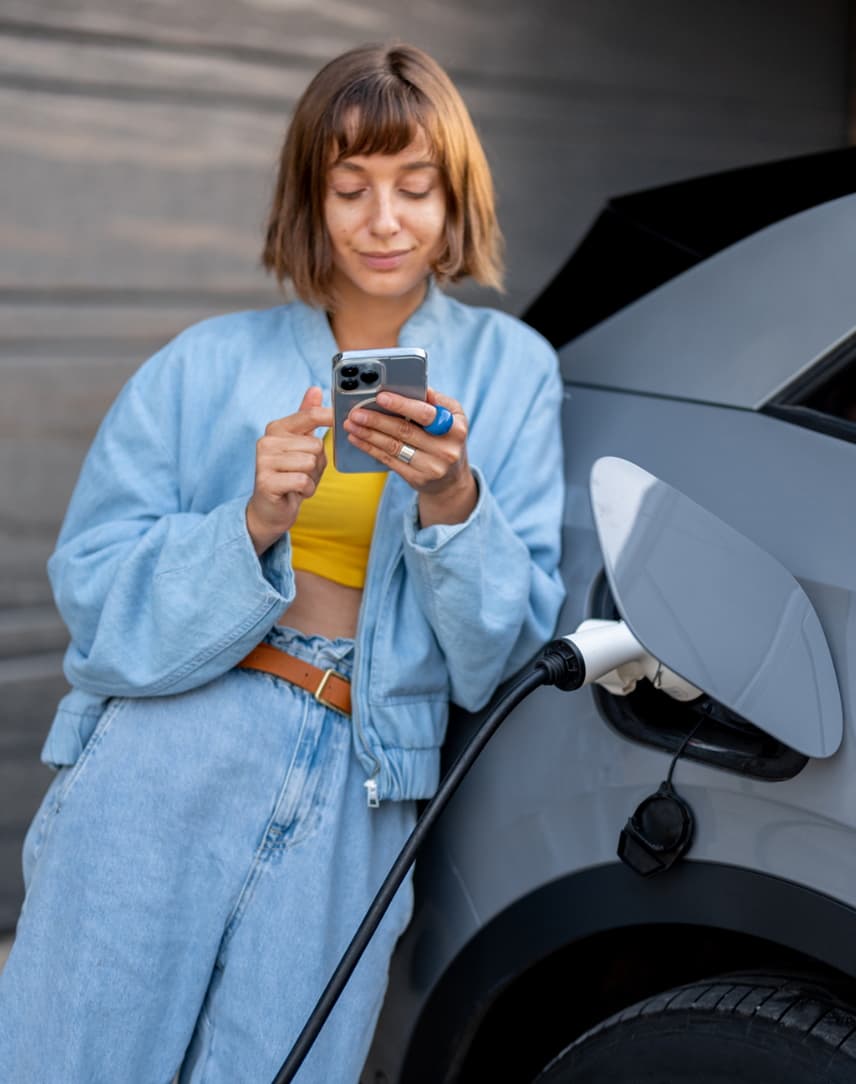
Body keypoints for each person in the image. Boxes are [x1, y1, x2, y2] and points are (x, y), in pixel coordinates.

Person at [0, 42, 565, 1083]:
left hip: (363, 784)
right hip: (173, 746)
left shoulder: (514, 373)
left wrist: (451, 498)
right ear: (311, 197)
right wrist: (252, 519)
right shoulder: (203, 363)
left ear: (455, 197)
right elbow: (94, 596)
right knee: (69, 1059)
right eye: (349, 187)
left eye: (412, 186)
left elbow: (499, 653)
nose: (382, 220)